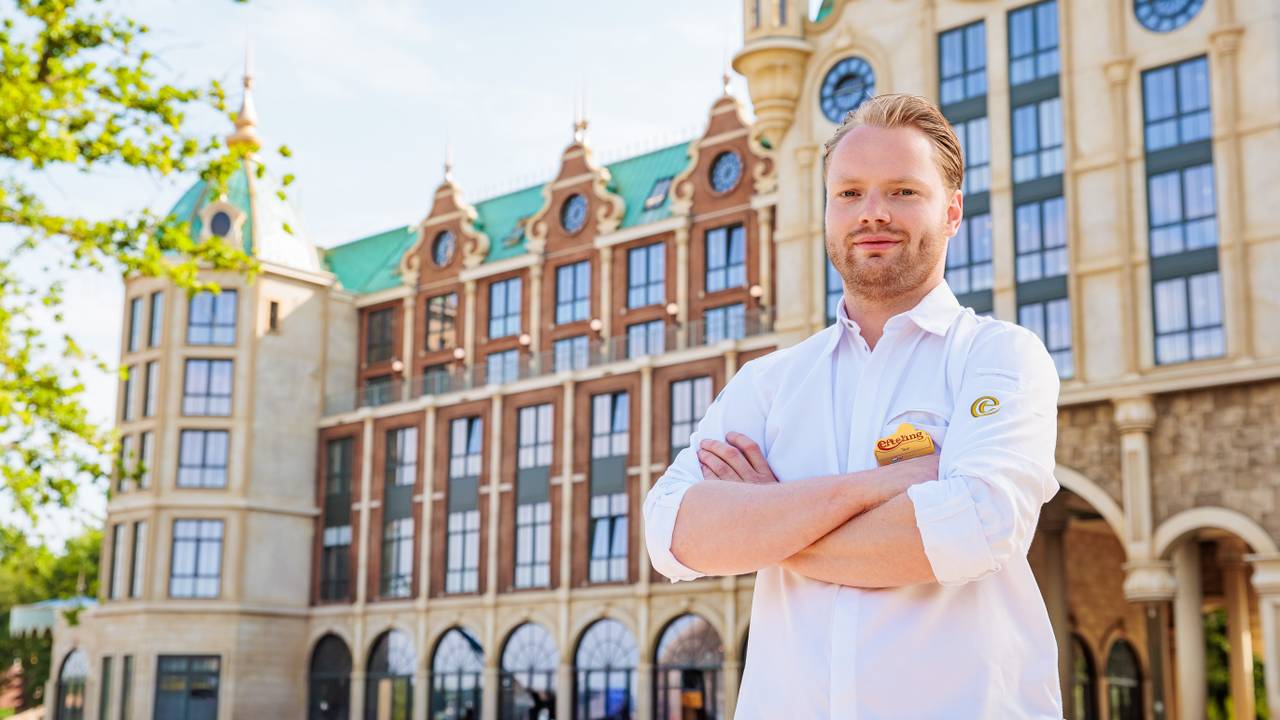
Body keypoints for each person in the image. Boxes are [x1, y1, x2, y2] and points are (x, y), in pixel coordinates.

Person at [643, 93, 1063, 719]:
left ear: (951, 213)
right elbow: (671, 532)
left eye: (902, 191)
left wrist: (766, 520)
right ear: (826, 213)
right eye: (849, 194)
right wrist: (880, 486)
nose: (873, 213)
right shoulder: (769, 382)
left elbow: (975, 529)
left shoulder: (1000, 358)